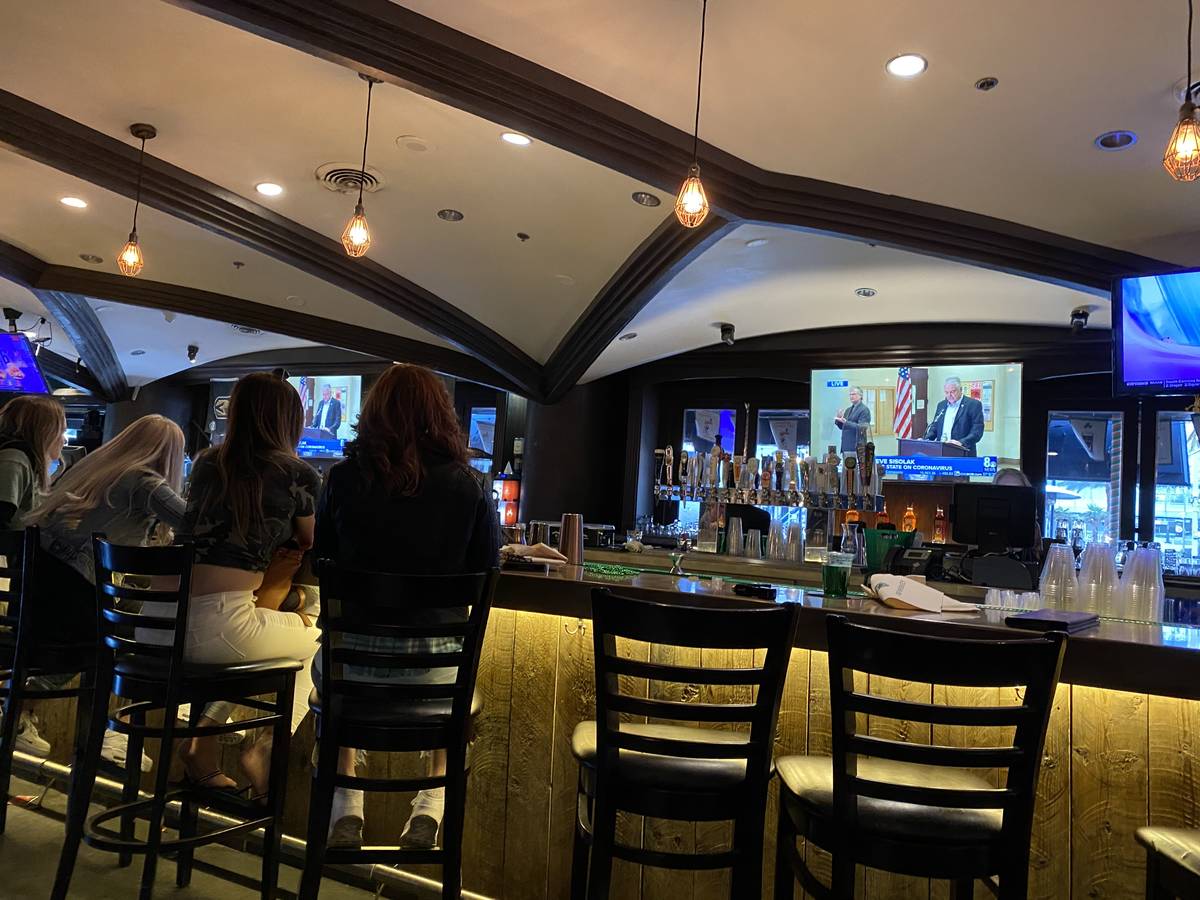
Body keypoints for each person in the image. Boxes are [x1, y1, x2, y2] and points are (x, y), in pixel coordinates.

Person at [314, 364, 499, 851]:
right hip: (437, 678)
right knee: (454, 658)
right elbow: (485, 573)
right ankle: (431, 802)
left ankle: (346, 803)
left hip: (349, 673)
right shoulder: (473, 486)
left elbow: (321, 565)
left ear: (372, 413)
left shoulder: (339, 480)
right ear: (442, 415)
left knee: (339, 660)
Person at [173, 372, 321, 794]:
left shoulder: (204, 462)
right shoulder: (297, 473)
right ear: (289, 420)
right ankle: (267, 746)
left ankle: (202, 744)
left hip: (154, 630)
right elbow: (311, 541)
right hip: (214, 629)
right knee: (325, 644)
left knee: (253, 626)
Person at [24, 415, 186, 772]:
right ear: (170, 455)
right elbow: (195, 523)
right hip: (76, 612)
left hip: (38, 595)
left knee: (129, 617)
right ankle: (113, 727)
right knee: (145, 626)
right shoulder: (146, 481)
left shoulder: (94, 470)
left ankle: (27, 704)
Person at [0, 394, 65, 756]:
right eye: (59, 429)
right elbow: (5, 522)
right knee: (86, 631)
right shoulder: (15, 458)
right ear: (43, 430)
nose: (63, 438)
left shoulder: (18, 458)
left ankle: (18, 704)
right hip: (10, 589)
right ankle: (17, 706)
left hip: (17, 587)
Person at [0, 394, 65, 529]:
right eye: (61, 431)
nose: (64, 440)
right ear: (45, 432)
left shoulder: (28, 460)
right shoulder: (15, 460)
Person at [923, 376, 986, 456]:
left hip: (962, 452)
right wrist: (926, 440)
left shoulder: (973, 405)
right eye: (946, 392)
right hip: (941, 451)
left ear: (961, 390)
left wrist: (961, 442)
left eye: (953, 392)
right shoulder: (941, 405)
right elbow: (935, 427)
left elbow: (977, 431)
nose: (949, 395)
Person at [834, 386, 871, 453]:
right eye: (850, 394)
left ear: (860, 396)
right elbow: (843, 427)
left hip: (857, 446)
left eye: (854, 394)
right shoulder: (848, 410)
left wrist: (846, 422)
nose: (851, 396)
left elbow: (862, 427)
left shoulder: (864, 410)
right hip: (846, 446)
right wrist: (839, 420)